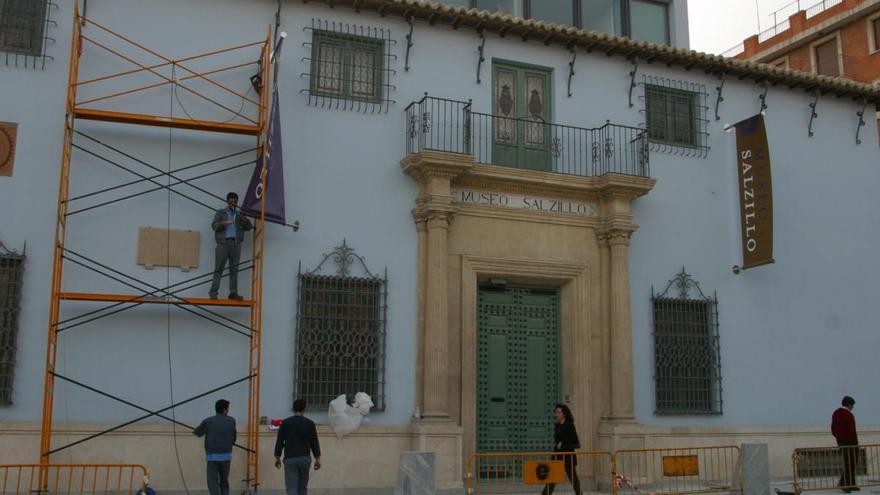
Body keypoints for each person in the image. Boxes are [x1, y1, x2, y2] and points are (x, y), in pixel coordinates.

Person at [209, 192, 252, 300]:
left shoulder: (239, 215)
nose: (233, 202)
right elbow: (214, 226)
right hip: (223, 243)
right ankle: (213, 292)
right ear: (227, 201)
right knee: (218, 269)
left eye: (235, 201)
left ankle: (233, 293)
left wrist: (245, 220)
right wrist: (224, 223)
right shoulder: (221, 213)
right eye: (231, 200)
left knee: (234, 269)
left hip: (236, 244)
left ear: (237, 202)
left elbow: (249, 227)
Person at [274, 399, 322, 495]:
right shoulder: (310, 423)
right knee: (303, 487)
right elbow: (314, 442)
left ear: (293, 409)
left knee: (292, 487)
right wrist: (317, 458)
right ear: (304, 409)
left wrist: (277, 457)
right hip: (305, 458)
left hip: (290, 459)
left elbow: (279, 441)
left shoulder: (285, 423)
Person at [193, 399, 237, 495]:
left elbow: (198, 433)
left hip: (212, 457)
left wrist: (196, 430)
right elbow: (234, 438)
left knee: (213, 483)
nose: (228, 410)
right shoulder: (232, 421)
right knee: (224, 482)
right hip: (226, 456)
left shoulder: (208, 421)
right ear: (225, 410)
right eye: (228, 408)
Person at [542, 403, 582, 495]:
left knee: (574, 481)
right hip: (557, 457)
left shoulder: (570, 426)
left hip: (568, 458)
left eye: (559, 412)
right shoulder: (557, 426)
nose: (556, 414)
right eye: (556, 412)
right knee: (551, 480)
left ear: (564, 414)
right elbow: (557, 443)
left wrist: (563, 446)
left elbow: (577, 444)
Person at [832, 396, 859, 493]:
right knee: (851, 463)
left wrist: (839, 439)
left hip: (841, 442)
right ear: (849, 405)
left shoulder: (835, 413)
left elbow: (833, 429)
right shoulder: (848, 415)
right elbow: (852, 431)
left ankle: (851, 483)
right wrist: (855, 443)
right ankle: (844, 483)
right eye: (852, 405)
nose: (853, 407)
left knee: (849, 463)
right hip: (850, 442)